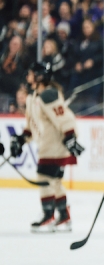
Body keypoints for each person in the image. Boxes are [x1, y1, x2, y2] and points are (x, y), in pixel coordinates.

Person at [10, 62, 84, 232]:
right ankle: (64, 216)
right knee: (54, 180)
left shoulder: (49, 94)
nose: (28, 76)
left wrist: (70, 136)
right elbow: (31, 125)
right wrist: (21, 139)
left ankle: (48, 214)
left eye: (31, 73)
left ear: (39, 76)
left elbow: (65, 118)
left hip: (55, 144)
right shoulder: (32, 98)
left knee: (44, 176)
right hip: (46, 144)